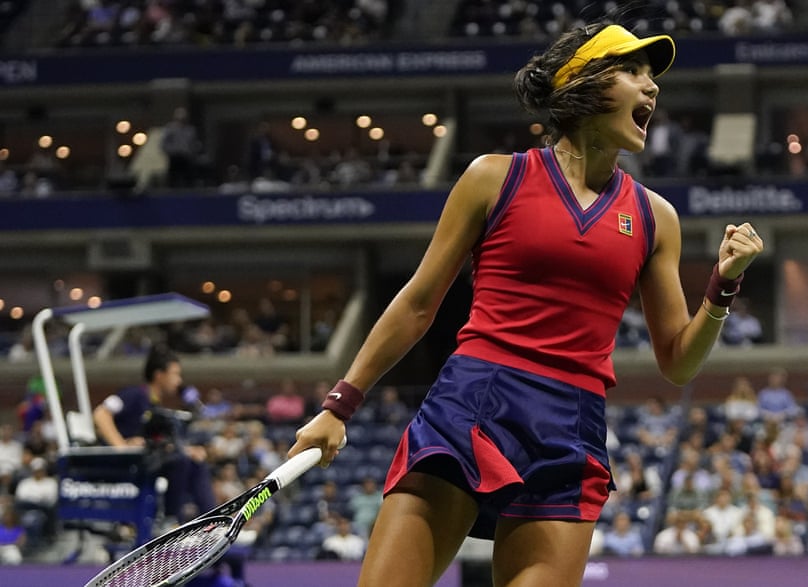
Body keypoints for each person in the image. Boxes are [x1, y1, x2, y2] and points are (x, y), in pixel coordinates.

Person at [289, 21, 763, 586]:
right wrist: (339, 405)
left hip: (571, 426)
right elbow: (419, 303)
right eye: (632, 70)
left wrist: (722, 286)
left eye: (652, 76)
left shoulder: (656, 217)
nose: (652, 87)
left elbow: (678, 362)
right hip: (473, 402)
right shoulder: (495, 178)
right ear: (584, 82)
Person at [92, 345, 215, 525]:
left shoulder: (155, 406)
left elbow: (158, 442)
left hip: (147, 460)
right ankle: (171, 521)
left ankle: (213, 521)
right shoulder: (134, 395)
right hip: (123, 465)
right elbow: (101, 414)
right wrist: (121, 446)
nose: (179, 381)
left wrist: (187, 450)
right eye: (175, 374)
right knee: (181, 461)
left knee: (196, 463)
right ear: (159, 374)